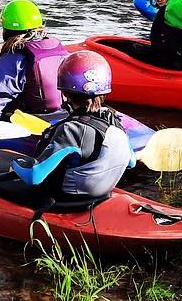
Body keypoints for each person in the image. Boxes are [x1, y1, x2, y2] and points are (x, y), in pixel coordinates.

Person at [20, 50, 134, 205]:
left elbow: (34, 177)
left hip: (65, 201)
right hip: (102, 195)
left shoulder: (70, 130)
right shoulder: (114, 120)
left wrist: (14, 165)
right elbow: (131, 162)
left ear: (65, 92)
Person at [0, 0, 70, 120]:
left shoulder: (16, 55)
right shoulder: (56, 46)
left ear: (6, 29)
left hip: (33, 119)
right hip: (64, 114)